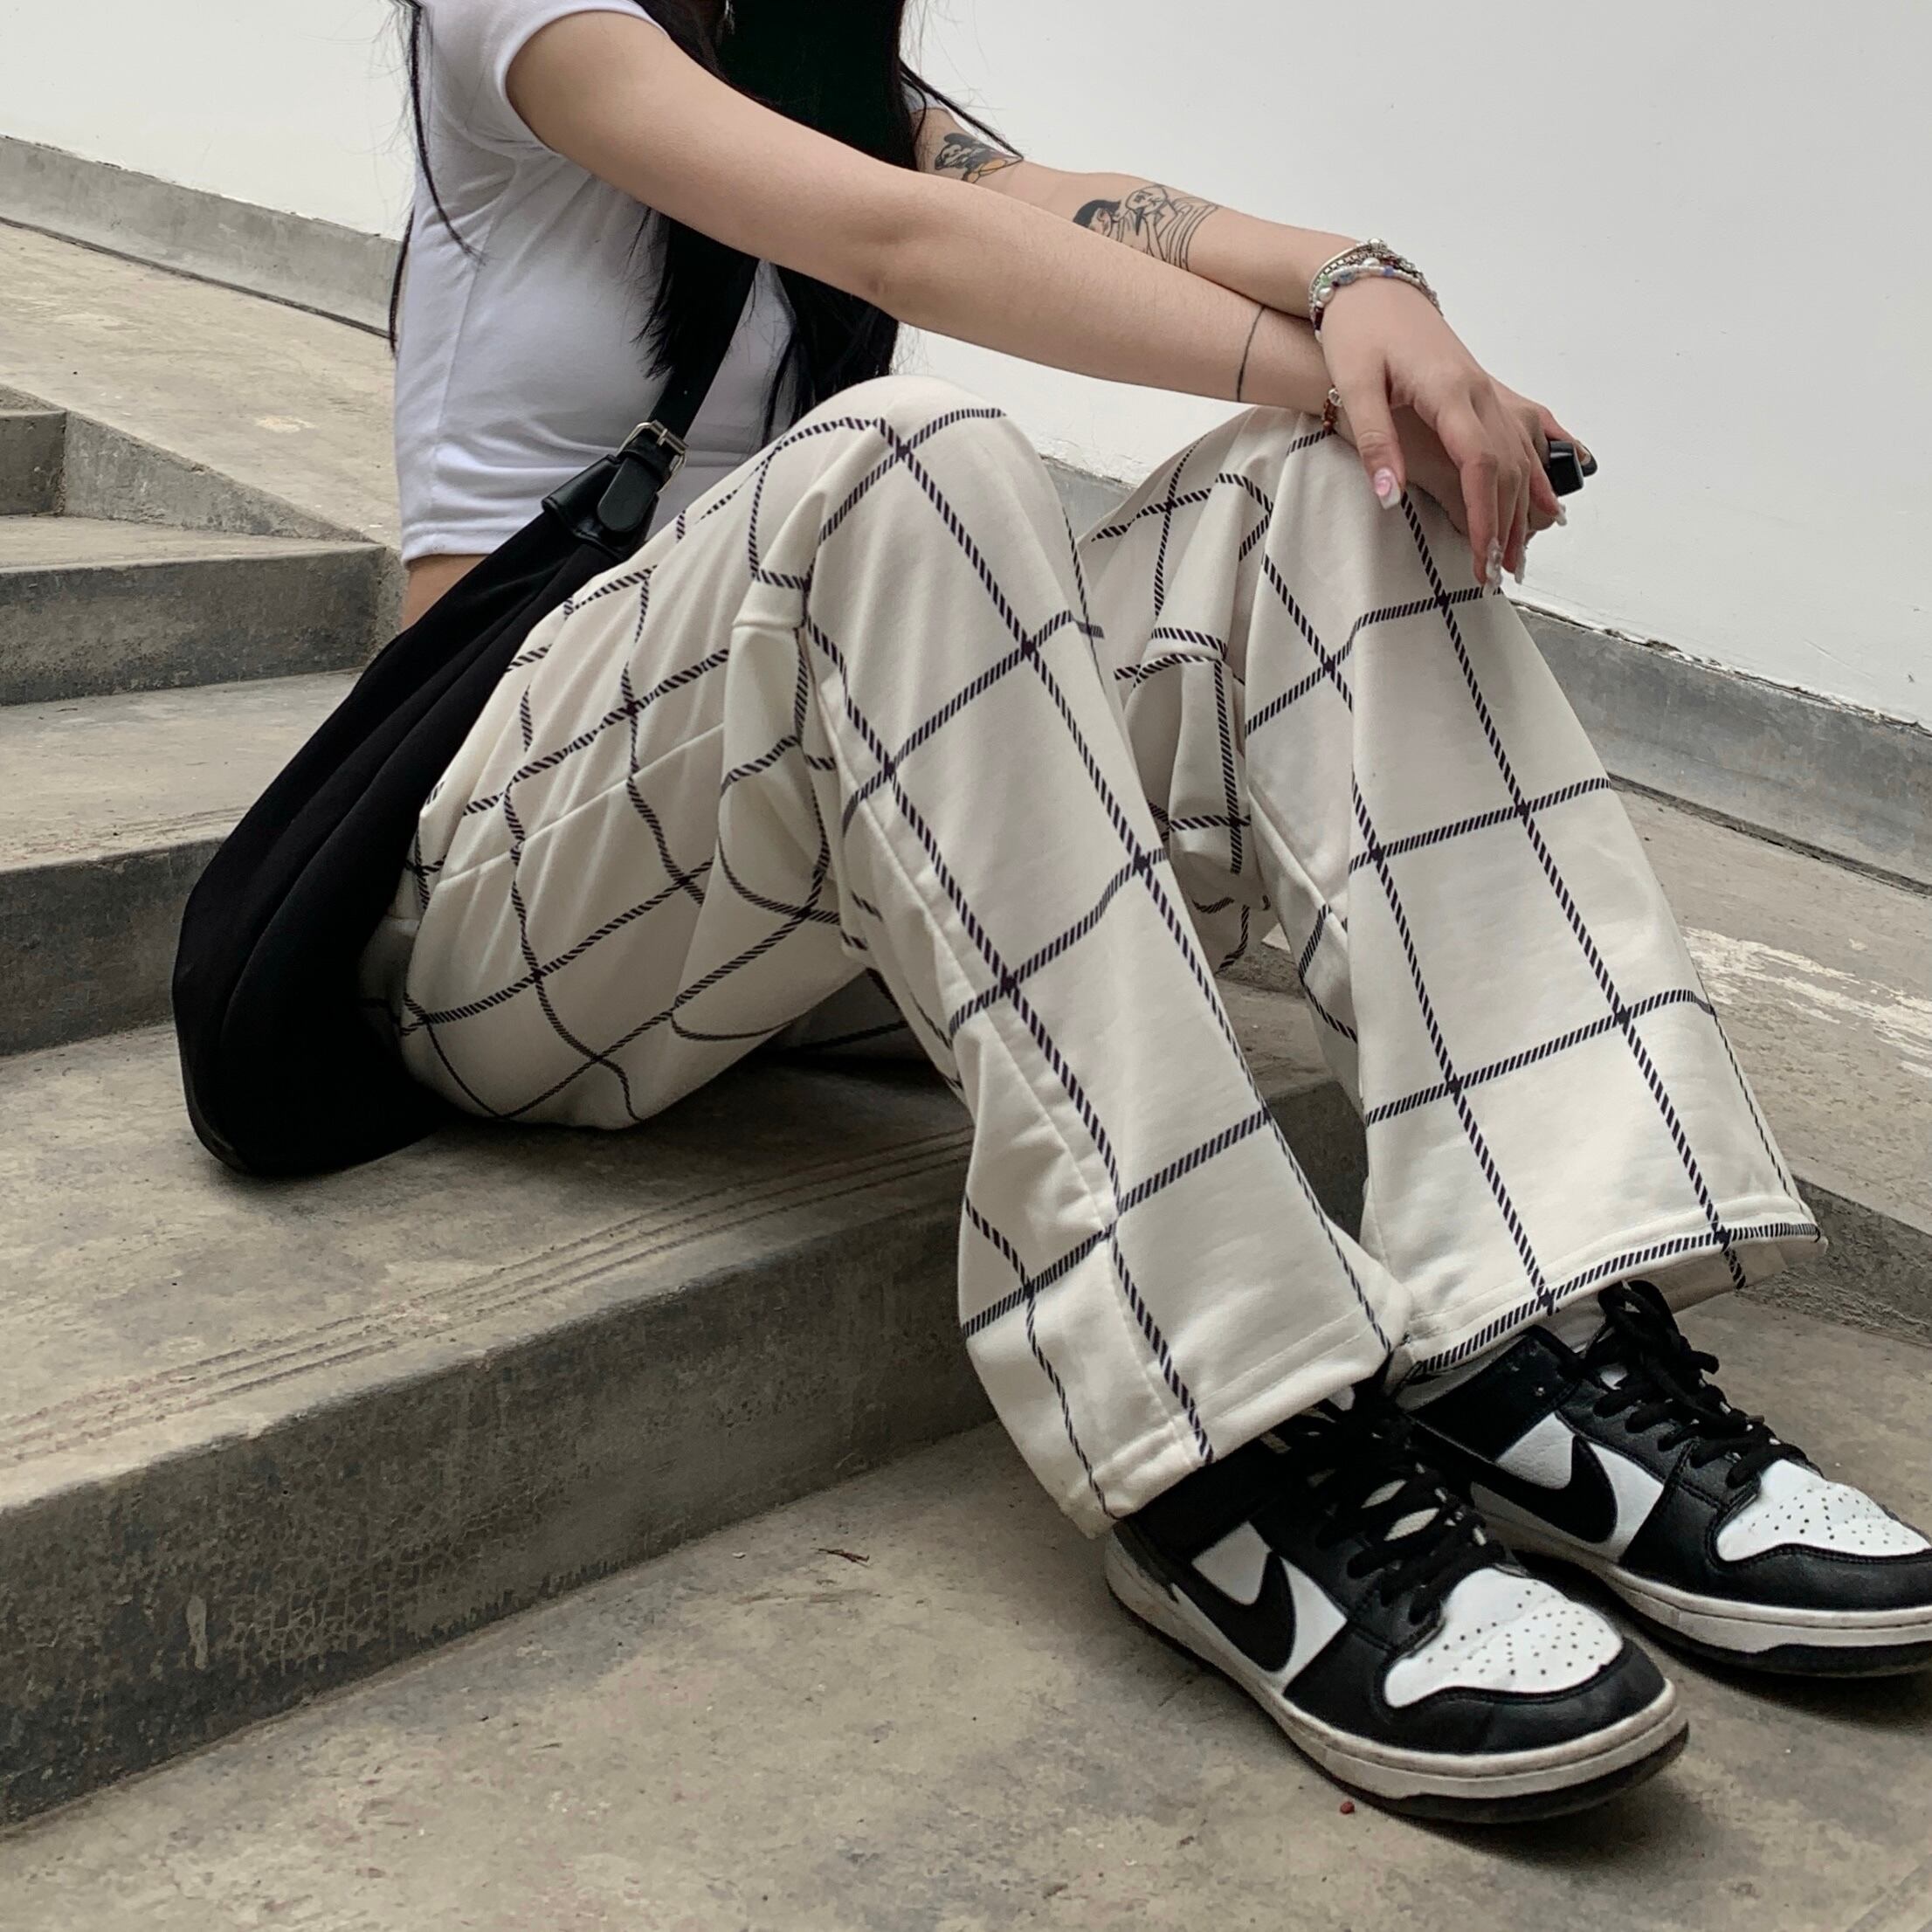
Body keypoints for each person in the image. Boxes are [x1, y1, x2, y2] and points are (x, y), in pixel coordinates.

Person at [360, 0, 1932, 1822]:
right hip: (513, 894)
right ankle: (1225, 1433)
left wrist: (1366, 286)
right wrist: (1334, 366)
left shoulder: (815, 60)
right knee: (912, 455)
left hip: (796, 920)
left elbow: (1051, 197)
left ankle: (1535, 1321)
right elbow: (902, 239)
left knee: (1318, 490)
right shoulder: (524, 16)